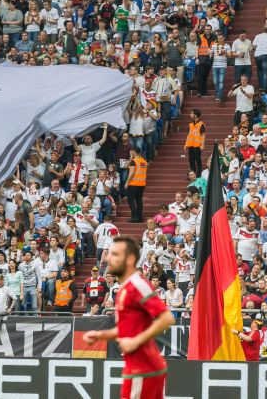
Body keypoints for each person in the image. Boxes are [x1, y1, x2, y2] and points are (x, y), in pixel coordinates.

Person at [83, 237, 175, 399]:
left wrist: (136, 341)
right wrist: (100, 335)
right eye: (109, 254)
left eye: (115, 254)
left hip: (142, 369)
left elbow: (166, 318)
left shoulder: (137, 285)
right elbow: (127, 329)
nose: (108, 258)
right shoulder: (123, 289)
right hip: (141, 368)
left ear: (130, 259)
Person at [126, 145, 147, 222]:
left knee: (130, 199)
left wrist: (127, 182)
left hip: (133, 183)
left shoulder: (134, 161)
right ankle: (139, 217)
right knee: (139, 200)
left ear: (133, 152)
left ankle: (134, 217)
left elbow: (131, 173)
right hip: (142, 184)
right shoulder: (144, 161)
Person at [252, 27, 267, 93]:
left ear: (262, 30)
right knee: (265, 72)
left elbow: (254, 46)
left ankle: (260, 87)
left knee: (259, 71)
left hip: (257, 54)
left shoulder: (257, 36)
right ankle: (264, 89)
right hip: (265, 54)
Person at [184, 109, 206, 175]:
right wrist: (186, 144)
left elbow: (203, 135)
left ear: (195, 115)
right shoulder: (190, 124)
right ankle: (192, 174)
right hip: (190, 145)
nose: (190, 115)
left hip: (197, 146)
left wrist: (202, 145)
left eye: (191, 113)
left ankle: (198, 175)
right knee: (191, 160)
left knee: (198, 160)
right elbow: (188, 135)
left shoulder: (201, 124)